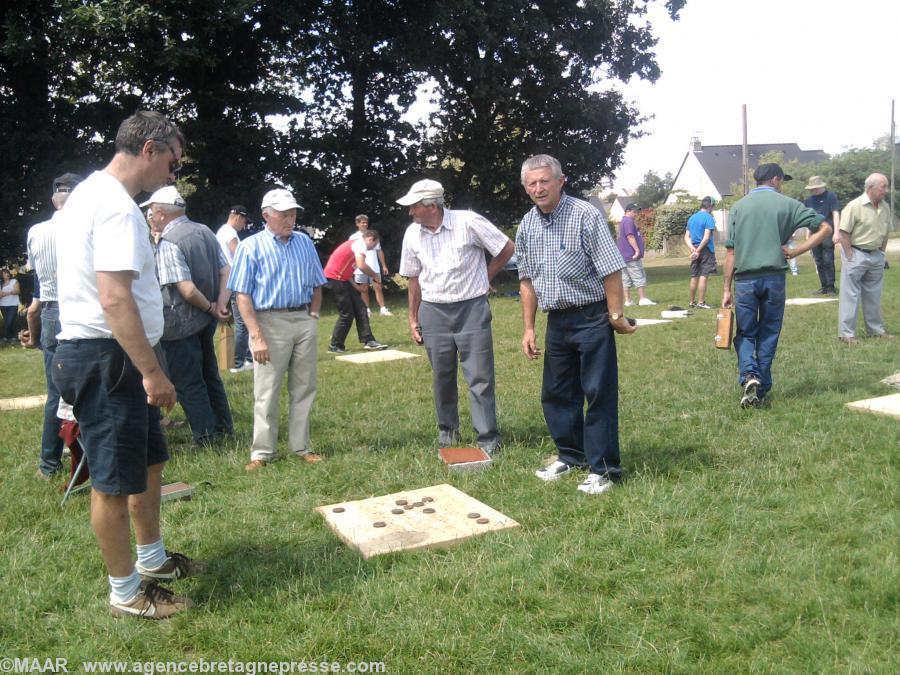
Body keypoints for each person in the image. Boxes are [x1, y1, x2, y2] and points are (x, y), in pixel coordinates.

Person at [52, 110, 203, 620]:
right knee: (114, 482)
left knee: (149, 461)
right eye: (173, 161)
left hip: (108, 353)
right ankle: (126, 593)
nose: (173, 174)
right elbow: (115, 299)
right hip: (109, 356)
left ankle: (153, 560)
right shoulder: (116, 208)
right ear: (149, 150)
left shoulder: (87, 196)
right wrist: (153, 372)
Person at [516, 154, 636, 495]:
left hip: (591, 316)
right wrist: (528, 328)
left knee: (597, 393)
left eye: (544, 181)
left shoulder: (585, 215)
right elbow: (526, 281)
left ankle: (604, 470)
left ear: (560, 181)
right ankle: (571, 456)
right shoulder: (527, 224)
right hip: (557, 320)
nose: (538, 188)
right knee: (556, 394)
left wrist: (615, 317)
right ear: (526, 188)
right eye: (532, 183)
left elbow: (611, 269)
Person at [398, 178, 513, 454]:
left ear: (431, 206)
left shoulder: (468, 222)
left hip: (471, 309)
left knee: (480, 374)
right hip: (433, 310)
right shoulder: (412, 234)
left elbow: (506, 247)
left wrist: (485, 276)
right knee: (442, 374)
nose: (410, 212)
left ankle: (487, 437)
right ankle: (447, 430)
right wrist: (413, 317)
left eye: (414, 206)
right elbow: (413, 278)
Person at [228, 188, 327, 471]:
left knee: (304, 386)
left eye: (293, 213)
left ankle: (302, 447)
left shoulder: (305, 242)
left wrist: (314, 316)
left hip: (303, 318)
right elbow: (242, 294)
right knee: (267, 389)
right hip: (269, 322)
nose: (290, 219)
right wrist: (256, 335)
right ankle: (262, 452)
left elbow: (317, 281)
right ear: (266, 215)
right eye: (283, 214)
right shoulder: (251, 246)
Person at [721, 163, 831, 408]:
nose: (781, 184)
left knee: (746, 332)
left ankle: (750, 375)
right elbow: (825, 228)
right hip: (774, 278)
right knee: (769, 332)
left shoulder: (738, 208)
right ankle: (761, 388)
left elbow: (731, 253)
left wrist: (726, 289)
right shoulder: (788, 204)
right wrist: (798, 250)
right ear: (774, 179)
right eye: (781, 180)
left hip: (745, 280)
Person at [143, 186, 234, 445]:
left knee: (189, 382)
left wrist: (208, 307)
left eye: (151, 212)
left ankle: (206, 436)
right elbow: (226, 270)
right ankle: (224, 427)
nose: (150, 217)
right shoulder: (204, 230)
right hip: (204, 320)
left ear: (161, 213)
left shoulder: (169, 242)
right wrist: (220, 305)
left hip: (179, 322)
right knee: (210, 375)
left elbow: (186, 288)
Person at [23, 171, 84, 479]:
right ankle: (86, 452)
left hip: (49, 311)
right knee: (89, 384)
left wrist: (32, 331)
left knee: (54, 391)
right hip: (80, 309)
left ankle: (48, 464)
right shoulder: (86, 227)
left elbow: (38, 283)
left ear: (53, 199)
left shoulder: (37, 232)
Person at [836, 173, 893, 342]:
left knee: (874, 295)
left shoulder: (885, 207)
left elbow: (886, 231)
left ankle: (875, 330)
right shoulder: (854, 206)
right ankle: (846, 334)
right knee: (850, 295)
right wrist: (850, 255)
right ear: (870, 188)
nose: (886, 190)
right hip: (856, 254)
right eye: (883, 186)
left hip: (876, 256)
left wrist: (882, 253)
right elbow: (843, 232)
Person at [323, 231, 388, 353]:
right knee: (347, 313)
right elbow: (361, 265)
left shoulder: (356, 246)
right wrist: (375, 276)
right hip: (335, 279)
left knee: (361, 308)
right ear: (369, 239)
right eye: (373, 245)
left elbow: (347, 271)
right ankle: (335, 345)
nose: (373, 248)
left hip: (342, 279)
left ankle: (368, 340)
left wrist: (356, 287)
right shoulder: (360, 244)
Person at [215, 205, 254, 371]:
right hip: (236, 283)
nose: (244, 225)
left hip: (228, 282)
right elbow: (239, 256)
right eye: (244, 221)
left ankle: (247, 359)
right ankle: (238, 363)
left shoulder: (221, 231)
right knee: (243, 322)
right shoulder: (230, 233)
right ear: (237, 216)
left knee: (242, 322)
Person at [803, 176, 840, 295]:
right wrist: (807, 234)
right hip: (814, 234)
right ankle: (823, 286)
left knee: (828, 260)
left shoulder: (831, 196)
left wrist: (837, 232)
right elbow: (808, 219)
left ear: (821, 186)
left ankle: (831, 287)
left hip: (827, 233)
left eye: (816, 188)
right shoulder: (808, 200)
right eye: (812, 188)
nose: (814, 190)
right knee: (818, 261)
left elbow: (835, 214)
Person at [349, 214, 392, 316]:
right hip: (360, 267)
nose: (365, 224)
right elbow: (350, 253)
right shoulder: (353, 237)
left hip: (374, 266)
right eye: (362, 222)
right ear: (357, 224)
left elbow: (379, 251)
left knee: (378, 287)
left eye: (366, 222)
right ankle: (367, 310)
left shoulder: (373, 235)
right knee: (364, 289)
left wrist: (384, 265)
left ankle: (383, 309)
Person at [616, 203, 655, 306]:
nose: (636, 214)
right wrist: (637, 250)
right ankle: (642, 299)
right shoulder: (628, 221)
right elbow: (630, 236)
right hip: (631, 255)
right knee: (639, 276)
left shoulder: (623, 221)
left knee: (626, 279)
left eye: (637, 212)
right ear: (628, 211)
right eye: (634, 212)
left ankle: (628, 301)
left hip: (624, 256)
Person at [684, 196, 718, 308]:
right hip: (705, 250)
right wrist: (698, 251)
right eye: (713, 206)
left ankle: (691, 302)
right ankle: (701, 302)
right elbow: (707, 237)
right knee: (704, 275)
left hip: (694, 248)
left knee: (694, 276)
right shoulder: (709, 218)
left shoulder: (692, 218)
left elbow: (686, 237)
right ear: (710, 206)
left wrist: (692, 249)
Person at [0, 268, 19, 340]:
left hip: (13, 304)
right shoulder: (1, 284)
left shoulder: (14, 281)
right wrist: (9, 292)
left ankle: (7, 336)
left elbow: (17, 291)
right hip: (3, 305)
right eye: (4, 273)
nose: (7, 274)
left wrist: (6, 293)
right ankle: (12, 337)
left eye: (7, 272)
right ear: (1, 275)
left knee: (10, 321)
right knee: (7, 321)